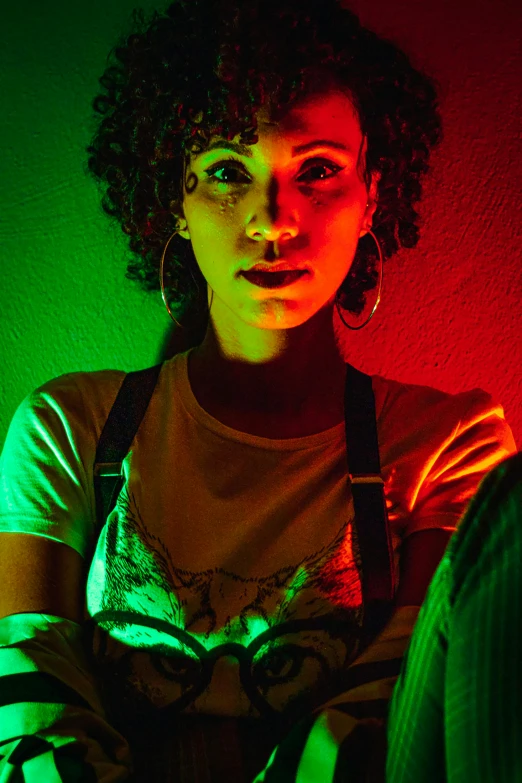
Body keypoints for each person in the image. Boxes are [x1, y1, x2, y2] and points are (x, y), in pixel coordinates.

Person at [0, 0, 516, 781]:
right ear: (176, 196)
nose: (273, 221)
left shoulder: (449, 443)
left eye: (316, 170)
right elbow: (31, 706)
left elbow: (395, 717)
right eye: (227, 173)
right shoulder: (69, 428)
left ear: (372, 191)